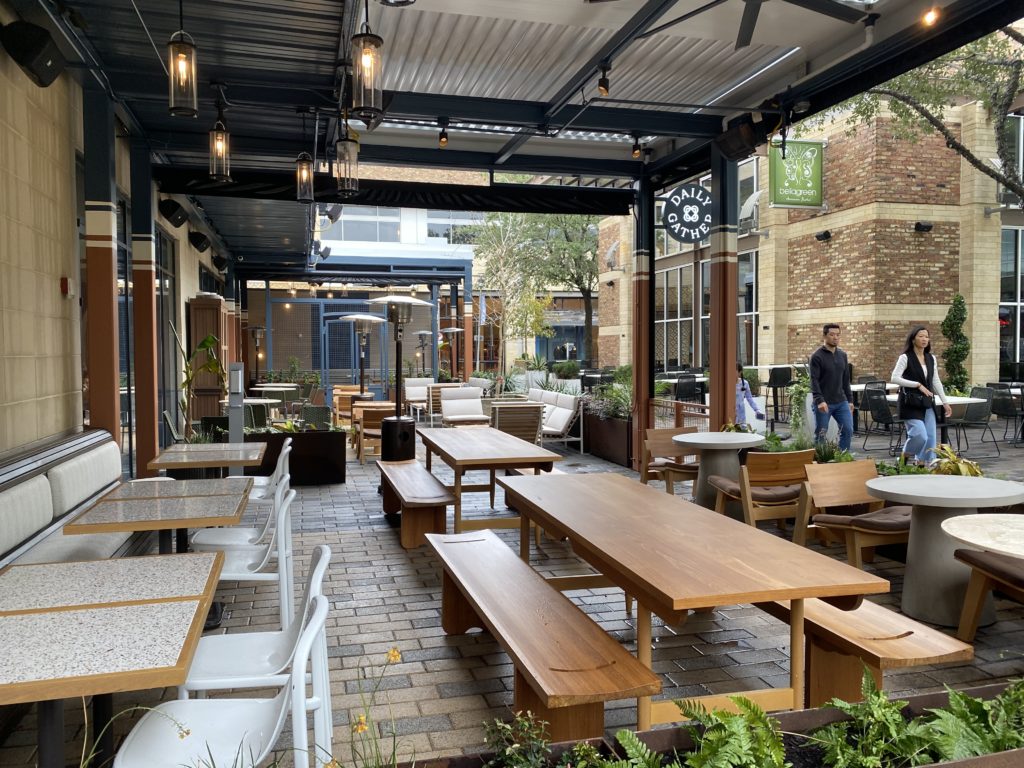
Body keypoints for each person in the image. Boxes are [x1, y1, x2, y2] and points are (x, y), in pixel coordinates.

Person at [891, 325, 951, 465]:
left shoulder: (931, 358)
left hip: (927, 403)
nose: (924, 339)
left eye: (926, 336)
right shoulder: (905, 357)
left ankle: (921, 465)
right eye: (920, 336)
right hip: (910, 403)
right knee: (919, 435)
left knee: (930, 438)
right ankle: (904, 457)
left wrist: (945, 402)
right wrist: (917, 385)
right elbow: (894, 378)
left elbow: (935, 381)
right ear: (913, 339)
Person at [809, 323, 855, 451]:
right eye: (832, 334)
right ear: (824, 336)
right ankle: (820, 461)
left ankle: (842, 457)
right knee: (821, 433)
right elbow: (814, 380)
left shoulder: (842, 355)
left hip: (841, 401)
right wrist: (819, 400)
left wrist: (850, 400)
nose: (835, 337)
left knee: (848, 430)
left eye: (838, 335)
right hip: (824, 403)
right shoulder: (817, 356)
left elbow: (846, 379)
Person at [735, 362, 765, 426]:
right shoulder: (728, 383)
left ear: (740, 373)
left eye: (734, 370)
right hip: (731, 411)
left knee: (742, 430)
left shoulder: (745, 383)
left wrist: (756, 410)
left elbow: (749, 398)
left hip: (740, 412)